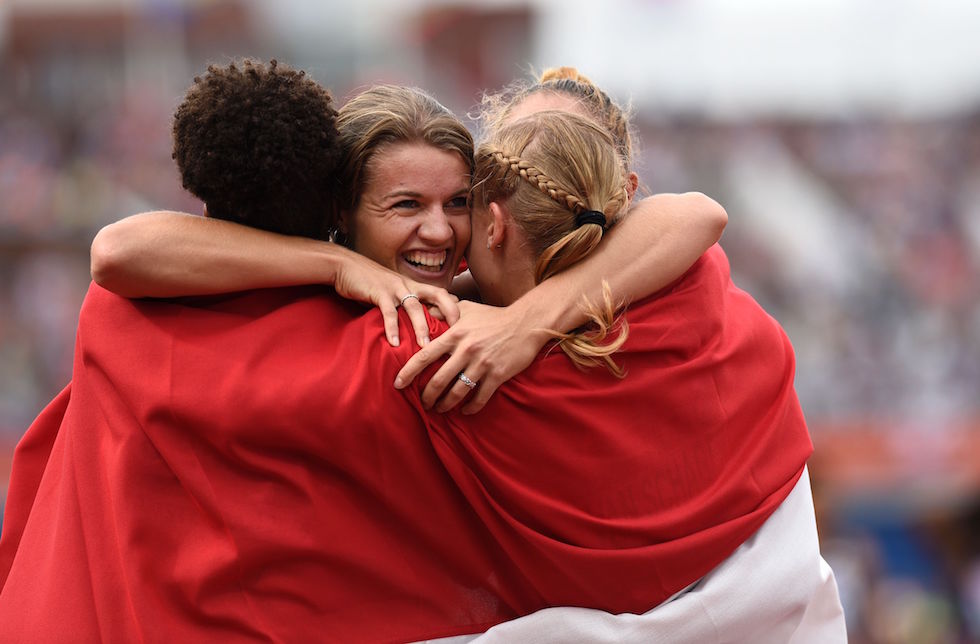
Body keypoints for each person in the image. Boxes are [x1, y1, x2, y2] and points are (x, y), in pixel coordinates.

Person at [0, 62, 727, 642]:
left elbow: (694, 213)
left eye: (458, 202)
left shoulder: (461, 320)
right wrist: (337, 267)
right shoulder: (377, 344)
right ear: (340, 213)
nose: (439, 231)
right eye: (406, 205)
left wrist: (526, 321)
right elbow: (117, 252)